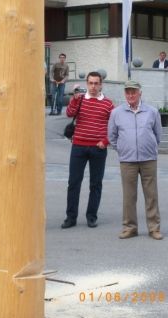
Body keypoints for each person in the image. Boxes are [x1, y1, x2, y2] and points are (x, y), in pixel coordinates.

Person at [108, 80, 163, 240]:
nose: (130, 95)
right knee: (129, 196)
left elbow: (158, 134)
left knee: (151, 195)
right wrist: (123, 148)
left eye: (133, 92)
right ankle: (130, 228)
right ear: (125, 94)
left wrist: (150, 147)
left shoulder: (152, 111)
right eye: (128, 92)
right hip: (127, 160)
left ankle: (154, 228)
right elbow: (112, 136)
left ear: (140, 93)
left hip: (148, 159)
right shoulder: (116, 113)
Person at [62, 71, 114, 229]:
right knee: (73, 183)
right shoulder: (80, 100)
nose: (93, 86)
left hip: (98, 148)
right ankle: (71, 217)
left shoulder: (108, 104)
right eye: (90, 83)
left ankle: (91, 216)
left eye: (96, 83)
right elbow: (69, 113)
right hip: (78, 146)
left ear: (101, 84)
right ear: (87, 84)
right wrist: (74, 99)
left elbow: (114, 127)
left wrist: (105, 141)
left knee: (96, 184)